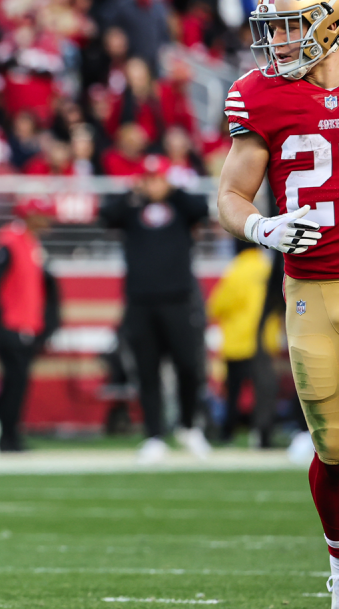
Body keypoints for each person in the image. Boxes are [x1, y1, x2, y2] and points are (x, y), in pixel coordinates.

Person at [215, 0, 339, 604]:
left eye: (294, 26)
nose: (280, 42)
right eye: (274, 28)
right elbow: (232, 193)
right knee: (335, 448)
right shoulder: (261, 93)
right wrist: (261, 230)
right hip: (310, 290)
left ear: (332, 23)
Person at [100, 154, 210, 465]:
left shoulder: (180, 206)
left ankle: (189, 426)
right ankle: (154, 435)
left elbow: (200, 209)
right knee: (146, 371)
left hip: (178, 299)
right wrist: (132, 193)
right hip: (140, 302)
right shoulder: (131, 209)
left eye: (158, 178)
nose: (153, 184)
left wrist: (172, 191)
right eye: (147, 179)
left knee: (188, 366)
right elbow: (105, 215)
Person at [0, 196, 60, 453]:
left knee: (17, 384)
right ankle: (5, 437)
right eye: (44, 215)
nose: (49, 220)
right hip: (10, 324)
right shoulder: (9, 241)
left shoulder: (30, 242)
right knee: (13, 383)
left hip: (26, 324)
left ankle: (6, 435)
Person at [208, 240, 273, 445]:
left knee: (233, 392)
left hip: (238, 342)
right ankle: (262, 434)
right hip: (263, 342)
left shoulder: (236, 271)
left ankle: (228, 433)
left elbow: (216, 306)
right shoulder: (267, 268)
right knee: (264, 392)